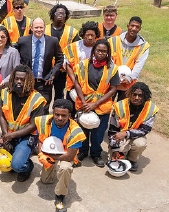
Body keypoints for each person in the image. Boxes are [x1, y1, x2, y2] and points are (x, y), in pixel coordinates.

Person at [72, 39, 119, 168]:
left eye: (104, 51)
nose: (101, 53)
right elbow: (76, 83)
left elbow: (113, 88)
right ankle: (82, 151)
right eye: (98, 50)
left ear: (108, 53)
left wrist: (95, 104)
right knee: (83, 130)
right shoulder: (83, 65)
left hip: (101, 107)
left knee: (98, 132)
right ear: (94, 51)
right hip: (84, 104)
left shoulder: (112, 68)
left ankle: (96, 153)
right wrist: (83, 101)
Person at [35, 99, 86, 212]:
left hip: (65, 154)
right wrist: (41, 153)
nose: (59, 118)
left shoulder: (76, 131)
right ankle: (52, 169)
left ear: (69, 115)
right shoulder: (44, 121)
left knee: (66, 168)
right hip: (50, 151)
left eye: (64, 115)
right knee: (45, 181)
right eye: (57, 114)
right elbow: (40, 140)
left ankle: (60, 195)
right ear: (53, 113)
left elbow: (70, 156)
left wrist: (48, 155)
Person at [0, 65, 46, 182]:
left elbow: (34, 125)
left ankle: (28, 167)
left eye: (22, 80)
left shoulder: (36, 99)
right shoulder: (5, 93)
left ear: (28, 81)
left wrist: (11, 136)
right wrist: (5, 135)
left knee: (17, 165)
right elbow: (2, 115)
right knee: (4, 166)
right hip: (10, 133)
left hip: (28, 135)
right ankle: (18, 152)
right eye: (17, 78)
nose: (19, 82)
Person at [14, 17, 63, 110]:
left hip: (44, 83)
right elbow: (12, 52)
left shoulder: (53, 41)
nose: (38, 30)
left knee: (43, 109)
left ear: (44, 28)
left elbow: (60, 59)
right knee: (25, 109)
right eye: (36, 27)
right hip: (26, 82)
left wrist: (52, 74)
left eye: (41, 27)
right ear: (31, 28)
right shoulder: (23, 41)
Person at [108, 82, 158, 172]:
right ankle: (120, 153)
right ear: (129, 94)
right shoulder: (120, 106)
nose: (136, 98)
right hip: (119, 136)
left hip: (136, 135)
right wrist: (115, 149)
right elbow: (112, 130)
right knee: (113, 160)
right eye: (134, 94)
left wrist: (126, 134)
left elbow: (145, 130)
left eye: (140, 95)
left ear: (145, 96)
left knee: (140, 144)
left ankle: (132, 159)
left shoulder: (151, 109)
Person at [109, 16, 149, 100]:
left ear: (140, 29)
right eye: (132, 26)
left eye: (137, 27)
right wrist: (114, 76)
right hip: (111, 81)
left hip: (128, 84)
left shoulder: (143, 46)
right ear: (128, 26)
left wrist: (129, 78)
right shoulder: (113, 41)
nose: (134, 29)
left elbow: (139, 65)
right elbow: (109, 59)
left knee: (123, 109)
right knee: (106, 107)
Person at [45, 4, 80, 101]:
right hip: (47, 68)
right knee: (46, 94)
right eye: (58, 13)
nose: (60, 15)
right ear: (53, 14)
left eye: (63, 14)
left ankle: (57, 112)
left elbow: (77, 48)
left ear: (66, 16)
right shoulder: (44, 29)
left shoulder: (72, 31)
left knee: (59, 93)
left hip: (62, 70)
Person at [63, 21, 100, 106]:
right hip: (73, 86)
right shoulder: (72, 47)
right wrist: (75, 82)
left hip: (93, 88)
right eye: (87, 35)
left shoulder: (100, 48)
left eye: (92, 35)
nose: (90, 38)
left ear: (96, 36)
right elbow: (68, 66)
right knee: (71, 109)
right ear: (83, 35)